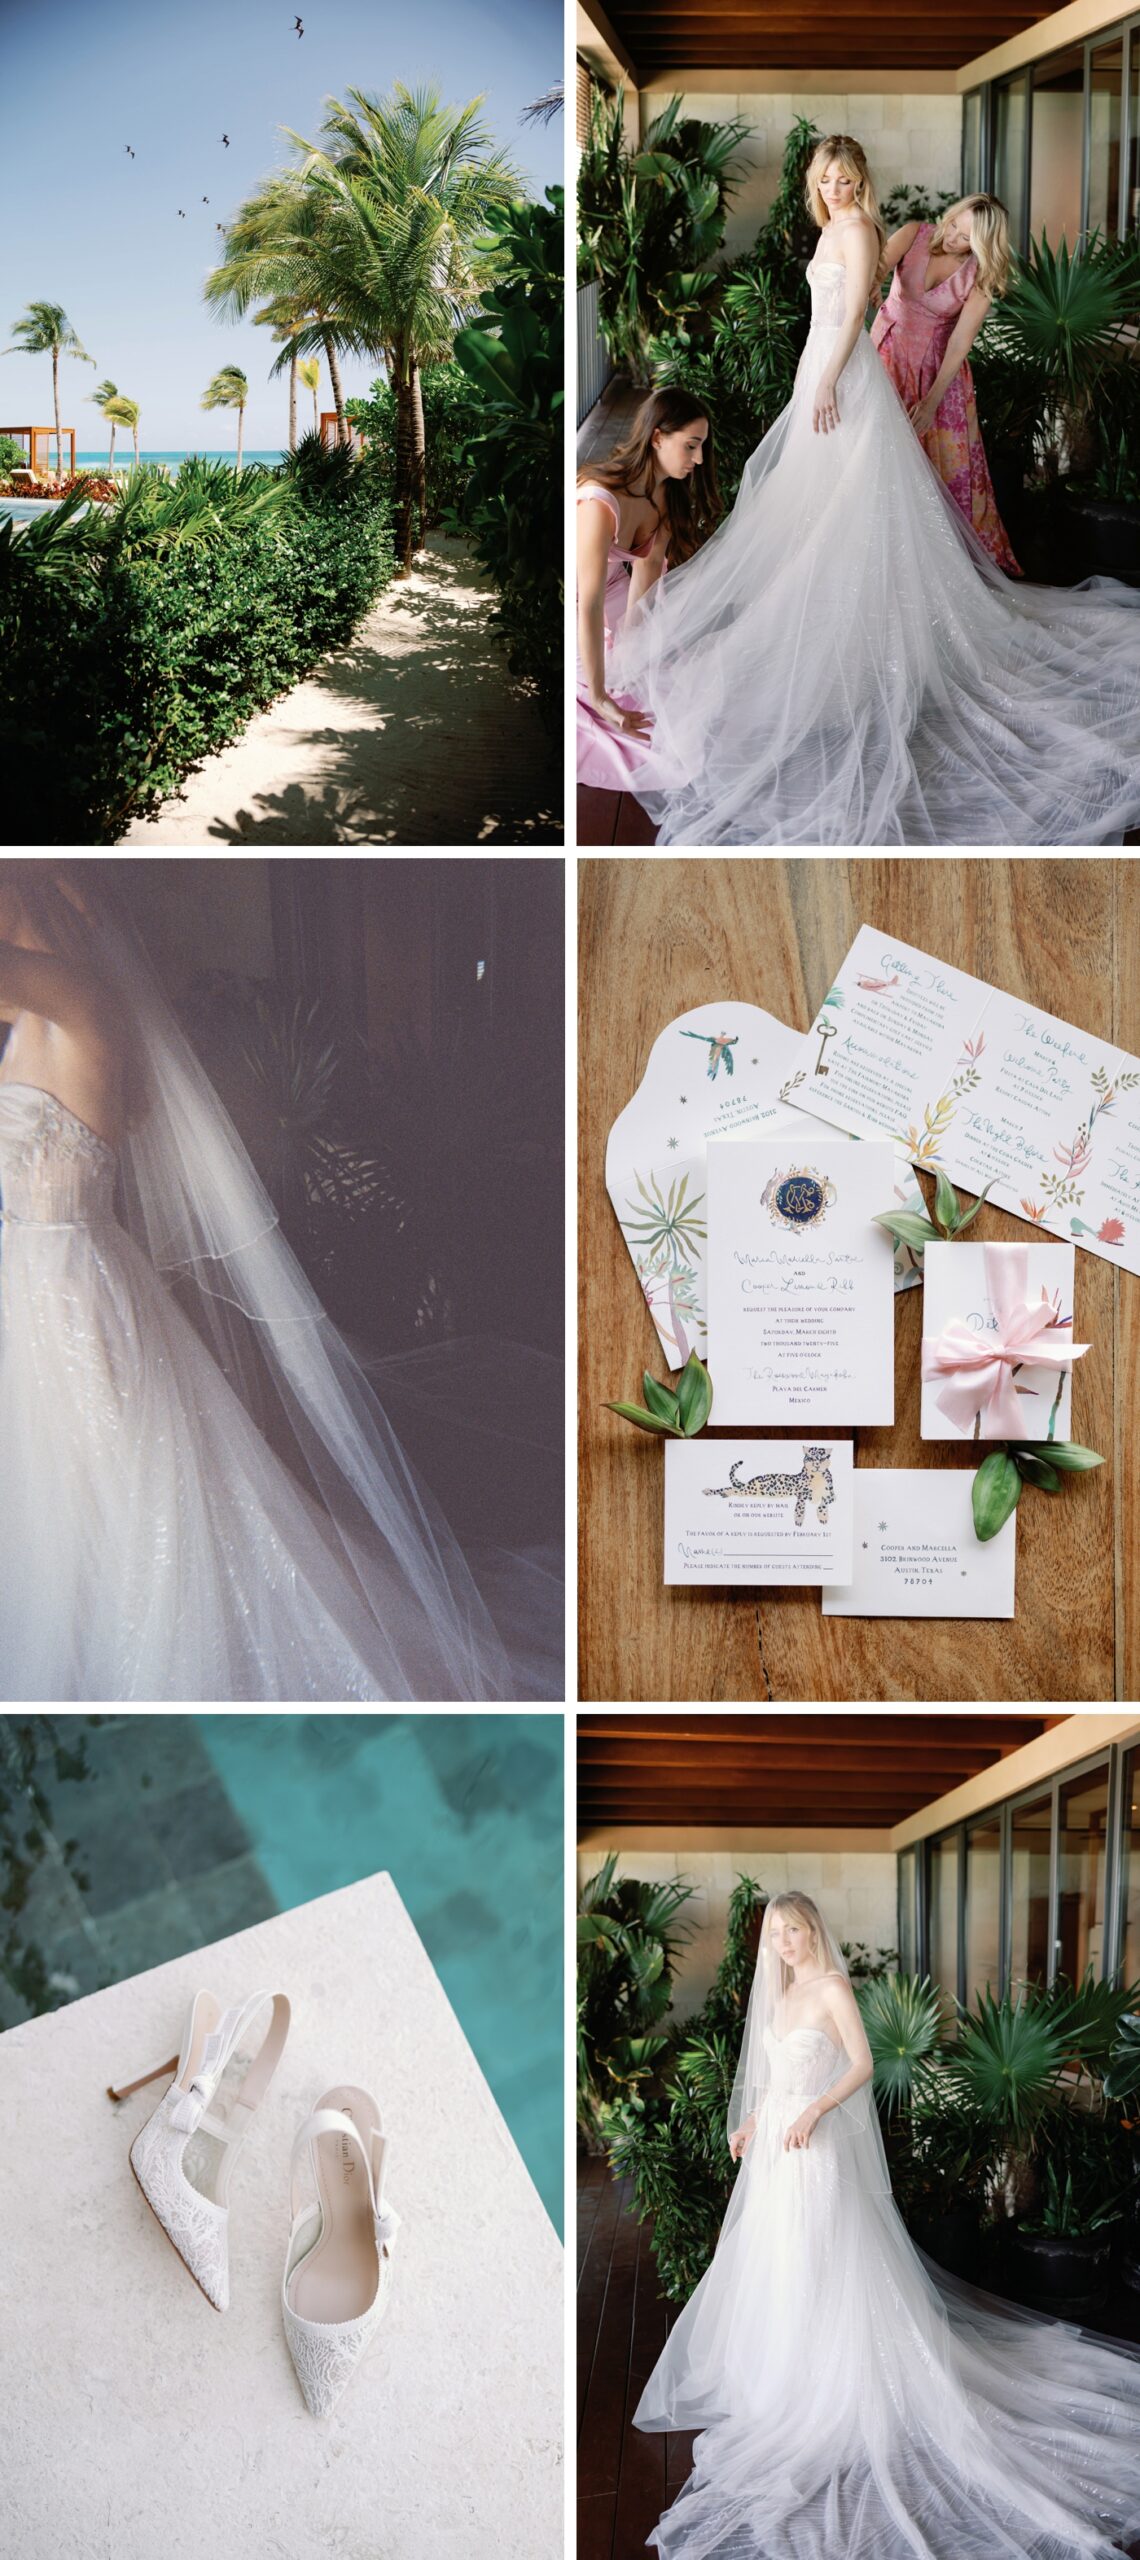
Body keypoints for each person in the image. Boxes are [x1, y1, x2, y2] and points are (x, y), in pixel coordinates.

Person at [0, 863, 550, 1702]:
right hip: (44, 1282)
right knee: (79, 1499)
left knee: (124, 1487)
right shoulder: (54, 1013)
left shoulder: (79, 1004)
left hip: (72, 1289)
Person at [610, 136, 1140, 845]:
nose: (835, 186)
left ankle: (857, 648)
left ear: (861, 180)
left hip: (845, 372)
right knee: (818, 505)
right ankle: (821, 623)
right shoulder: (843, 226)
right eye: (825, 177)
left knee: (848, 507)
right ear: (816, 181)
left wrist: (829, 378)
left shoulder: (860, 228)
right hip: (825, 367)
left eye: (846, 177)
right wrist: (818, 373)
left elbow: (858, 304)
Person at [635, 1892, 1140, 2558]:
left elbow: (862, 2064)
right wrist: (754, 2123)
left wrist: (815, 2113)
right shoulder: (781, 1992)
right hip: (775, 2159)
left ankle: (834, 2388)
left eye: (794, 1930)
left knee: (821, 2263)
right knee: (782, 2264)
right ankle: (789, 2381)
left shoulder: (830, 1986)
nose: (784, 1942)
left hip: (813, 2154)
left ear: (815, 1928)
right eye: (776, 1933)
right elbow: (777, 2079)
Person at [576, 389, 719, 791]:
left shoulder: (665, 492)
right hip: (576, 605)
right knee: (612, 704)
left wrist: (634, 643)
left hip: (616, 592)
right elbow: (588, 603)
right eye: (690, 446)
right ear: (657, 437)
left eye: (702, 447)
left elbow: (649, 567)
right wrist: (602, 696)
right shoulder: (598, 501)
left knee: (663, 676)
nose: (699, 459)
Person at [872, 194, 1020, 573]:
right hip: (886, 356)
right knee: (878, 456)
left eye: (967, 237)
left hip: (939, 374)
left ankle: (934, 566)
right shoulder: (912, 234)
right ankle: (880, 554)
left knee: (940, 468)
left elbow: (960, 342)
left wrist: (932, 401)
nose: (953, 237)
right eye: (955, 223)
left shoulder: (980, 275)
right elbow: (872, 272)